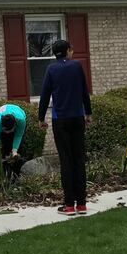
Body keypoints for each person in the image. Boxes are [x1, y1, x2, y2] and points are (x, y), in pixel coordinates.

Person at [37, 40, 92, 216]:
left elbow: (45, 94)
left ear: (55, 53)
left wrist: (40, 117)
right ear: (68, 51)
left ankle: (69, 205)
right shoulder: (77, 66)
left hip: (60, 120)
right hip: (77, 118)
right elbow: (84, 90)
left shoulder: (51, 69)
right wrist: (88, 113)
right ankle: (82, 204)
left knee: (65, 161)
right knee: (78, 159)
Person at [0, 103, 26, 180]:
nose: (8, 132)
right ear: (2, 128)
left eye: (10, 130)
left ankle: (16, 176)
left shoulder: (21, 120)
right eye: (6, 130)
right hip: (1, 121)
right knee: (6, 150)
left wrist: (15, 150)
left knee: (18, 152)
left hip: (18, 117)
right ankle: (7, 177)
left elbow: (18, 135)